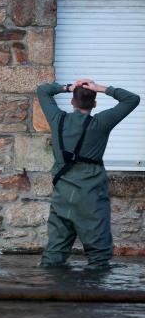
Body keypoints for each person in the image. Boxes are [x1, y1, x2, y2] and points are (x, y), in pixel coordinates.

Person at [37, 79, 140, 269]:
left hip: (62, 197)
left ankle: (48, 294)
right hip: (91, 197)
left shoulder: (57, 120)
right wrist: (101, 88)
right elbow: (131, 100)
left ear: (72, 102)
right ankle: (96, 295)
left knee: (54, 254)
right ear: (94, 104)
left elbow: (43, 91)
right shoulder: (100, 124)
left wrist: (68, 87)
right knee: (99, 258)